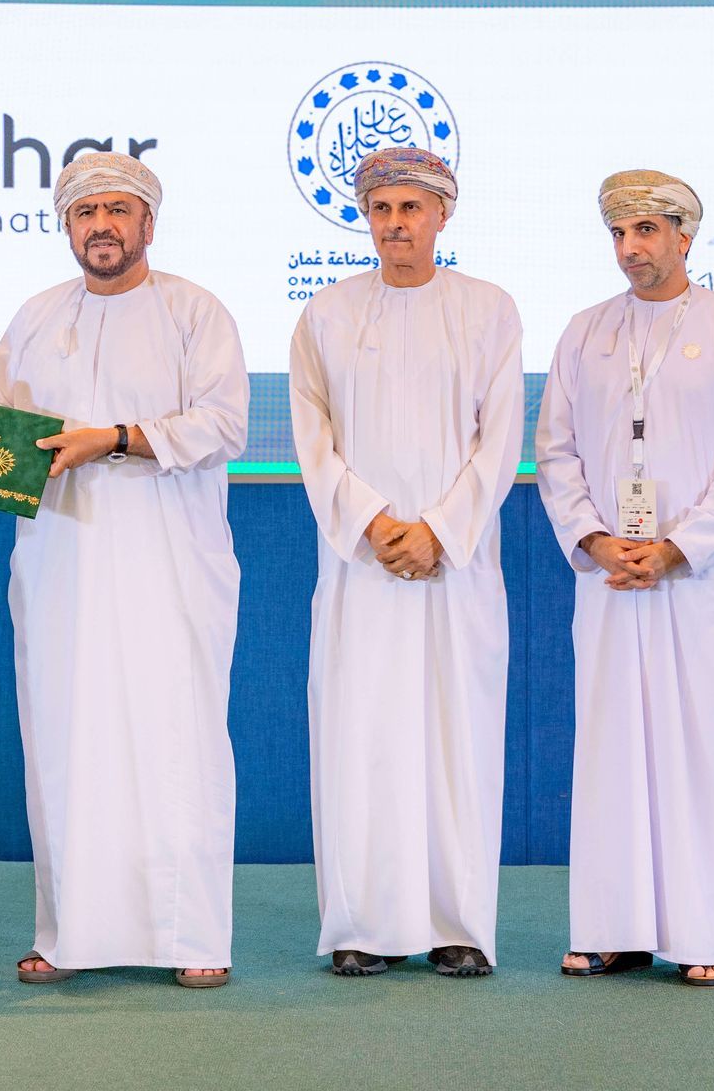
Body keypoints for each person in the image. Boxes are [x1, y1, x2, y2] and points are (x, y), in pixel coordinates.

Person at [0, 151, 246, 988]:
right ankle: (68, 934)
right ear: (66, 226)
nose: (101, 226)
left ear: (148, 223)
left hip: (170, 559)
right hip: (61, 559)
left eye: (117, 210)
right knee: (66, 738)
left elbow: (223, 424)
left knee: (177, 738)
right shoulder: (36, 317)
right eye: (84, 212)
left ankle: (193, 937)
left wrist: (116, 438)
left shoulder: (194, 311)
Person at [534, 169, 714, 987]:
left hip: (699, 582)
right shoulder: (585, 333)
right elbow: (556, 450)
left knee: (699, 748)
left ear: (685, 236)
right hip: (610, 577)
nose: (630, 248)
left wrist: (681, 546)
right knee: (610, 747)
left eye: (646, 230)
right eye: (619, 233)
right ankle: (612, 929)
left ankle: (701, 933)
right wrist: (593, 538)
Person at [288, 147, 523, 979]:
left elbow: (501, 439)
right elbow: (312, 436)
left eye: (411, 209)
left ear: (441, 215)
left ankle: (458, 925)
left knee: (457, 740)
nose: (396, 225)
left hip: (456, 565)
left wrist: (440, 531)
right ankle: (362, 924)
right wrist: (375, 524)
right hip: (362, 566)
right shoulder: (326, 313)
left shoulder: (488, 310)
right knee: (362, 738)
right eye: (382, 209)